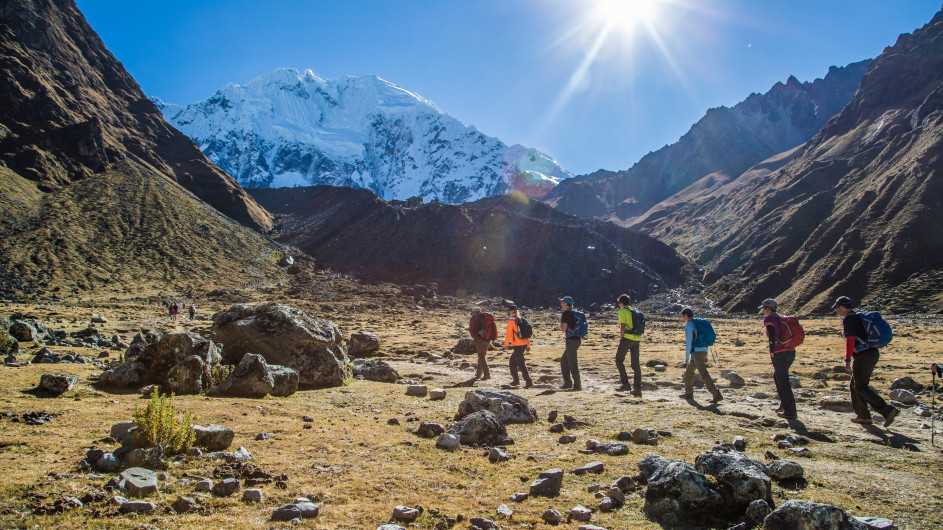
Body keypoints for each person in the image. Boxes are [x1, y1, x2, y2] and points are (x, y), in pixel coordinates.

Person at [832, 296, 899, 427]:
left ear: (841, 307)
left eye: (837, 308)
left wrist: (847, 360)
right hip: (871, 353)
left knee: (860, 387)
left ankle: (887, 410)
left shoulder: (849, 319)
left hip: (864, 356)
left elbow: (850, 340)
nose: (836, 311)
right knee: (854, 386)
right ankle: (863, 416)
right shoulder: (857, 317)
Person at [759, 299, 797, 420]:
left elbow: (771, 336)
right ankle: (784, 404)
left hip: (779, 352)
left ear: (767, 309)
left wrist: (771, 351)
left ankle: (790, 411)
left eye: (764, 309)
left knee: (783, 381)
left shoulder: (769, 319)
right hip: (790, 351)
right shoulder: (780, 318)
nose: (763, 311)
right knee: (778, 377)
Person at [679, 307, 722, 403]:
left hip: (696, 352)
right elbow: (704, 341)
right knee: (689, 371)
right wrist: (706, 355)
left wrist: (686, 357)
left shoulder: (689, 325)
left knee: (703, 373)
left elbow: (689, 342)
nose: (683, 319)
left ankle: (716, 394)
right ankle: (688, 393)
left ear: (686, 315)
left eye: (683, 316)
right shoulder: (697, 324)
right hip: (702, 350)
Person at [615, 294, 642, 396]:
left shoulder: (622, 311)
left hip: (627, 338)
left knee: (619, 360)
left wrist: (621, 337)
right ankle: (637, 388)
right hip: (636, 338)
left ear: (621, 303)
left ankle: (625, 383)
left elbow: (623, 326)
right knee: (636, 365)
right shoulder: (634, 310)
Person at [504, 307, 533, 388]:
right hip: (523, 344)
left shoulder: (511, 320)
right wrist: (528, 345)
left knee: (521, 363)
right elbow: (527, 334)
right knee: (513, 361)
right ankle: (516, 381)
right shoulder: (521, 319)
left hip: (517, 345)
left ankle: (528, 382)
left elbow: (508, 334)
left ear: (510, 312)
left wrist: (506, 345)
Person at [559, 296, 582, 391]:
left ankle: (577, 386)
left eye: (562, 302)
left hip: (571, 340)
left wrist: (561, 325)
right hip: (577, 340)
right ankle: (567, 382)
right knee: (564, 361)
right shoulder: (575, 313)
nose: (561, 304)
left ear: (565, 303)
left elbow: (564, 329)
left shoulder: (565, 314)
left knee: (572, 363)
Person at [468, 307, 491, 380]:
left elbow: (471, 329)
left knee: (481, 356)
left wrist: (474, 336)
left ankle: (487, 374)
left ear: (474, 312)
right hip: (487, 339)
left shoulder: (473, 318)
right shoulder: (485, 317)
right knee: (482, 356)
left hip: (479, 339)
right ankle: (478, 374)